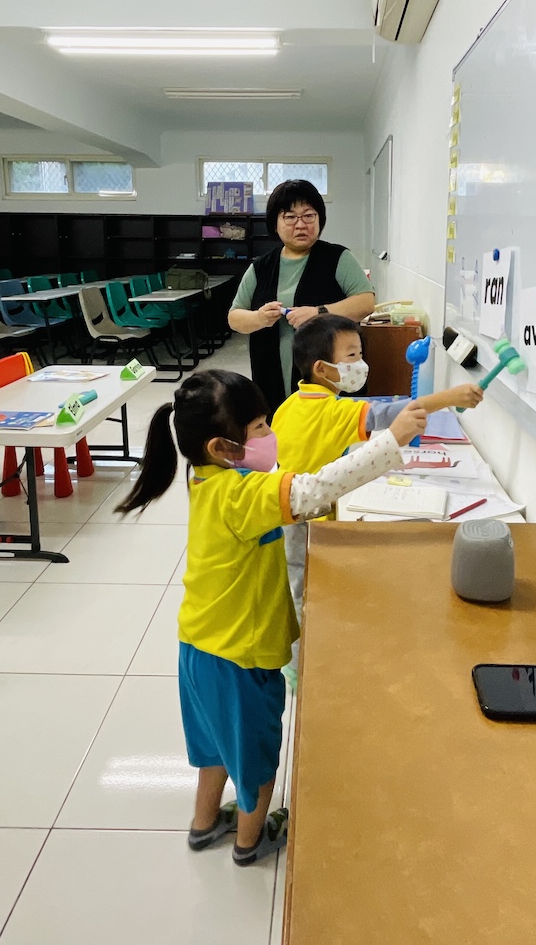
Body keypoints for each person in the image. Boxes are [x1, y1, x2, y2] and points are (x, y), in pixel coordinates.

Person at [116, 369, 426, 866]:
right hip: (241, 657)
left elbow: (295, 491)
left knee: (215, 747)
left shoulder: (207, 479)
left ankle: (203, 824)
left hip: (198, 646)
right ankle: (249, 841)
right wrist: (392, 441)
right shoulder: (242, 494)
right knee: (256, 762)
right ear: (222, 447)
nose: (270, 434)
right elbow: (313, 490)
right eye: (259, 427)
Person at [272, 314, 484, 681]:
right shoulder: (332, 410)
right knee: (303, 590)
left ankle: (298, 660)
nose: (361, 364)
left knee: (298, 586)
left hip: (289, 512)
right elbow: (390, 413)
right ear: (322, 368)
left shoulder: (291, 404)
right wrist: (451, 397)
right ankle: (297, 669)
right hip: (309, 521)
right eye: (352, 356)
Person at [227, 179, 375, 412]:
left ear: (319, 219)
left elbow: (366, 302)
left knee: (329, 426)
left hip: (328, 378)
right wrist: (259, 318)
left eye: (308, 216)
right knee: (280, 424)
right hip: (271, 375)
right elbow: (235, 317)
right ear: (275, 223)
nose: (300, 225)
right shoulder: (261, 267)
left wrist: (319, 312)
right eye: (290, 217)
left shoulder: (337, 258)